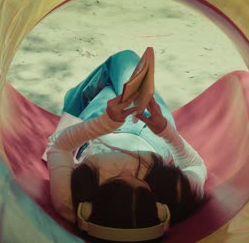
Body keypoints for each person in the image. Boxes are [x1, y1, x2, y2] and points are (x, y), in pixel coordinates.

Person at [46, 50, 207, 242]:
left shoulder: (69, 202)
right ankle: (74, 103)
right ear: (159, 209)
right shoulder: (173, 197)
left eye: (115, 180)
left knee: (111, 80)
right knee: (124, 63)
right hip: (152, 135)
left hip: (101, 131)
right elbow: (195, 165)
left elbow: (58, 146)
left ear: (89, 209)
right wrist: (165, 131)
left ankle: (73, 105)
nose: (128, 171)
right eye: (141, 181)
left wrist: (106, 122)